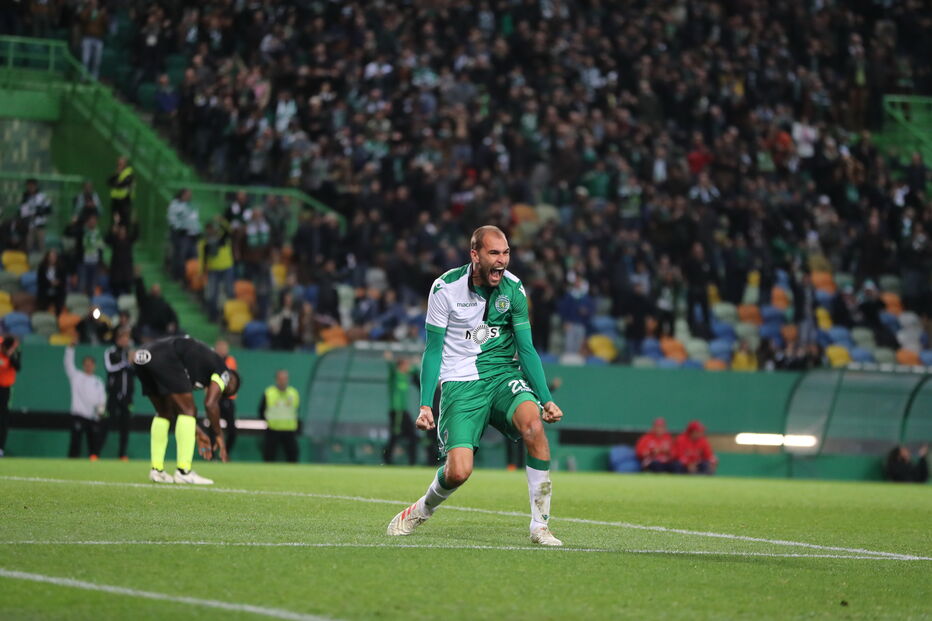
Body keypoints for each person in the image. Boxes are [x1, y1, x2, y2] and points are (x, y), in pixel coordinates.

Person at [387, 225, 565, 546]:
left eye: (506, 253)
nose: (502, 260)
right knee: (458, 472)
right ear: (475, 255)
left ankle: (540, 526)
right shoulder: (445, 288)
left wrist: (546, 398)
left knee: (533, 426)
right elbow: (433, 350)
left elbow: (526, 349)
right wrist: (426, 403)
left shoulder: (514, 290)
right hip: (460, 383)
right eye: (494, 253)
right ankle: (423, 508)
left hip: (502, 376)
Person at [131, 335, 240, 484]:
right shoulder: (225, 372)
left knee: (164, 412)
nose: (219, 393)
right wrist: (218, 434)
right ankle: (184, 471)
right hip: (165, 355)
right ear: (231, 384)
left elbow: (177, 407)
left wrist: (197, 431)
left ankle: (157, 470)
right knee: (189, 411)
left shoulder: (197, 368)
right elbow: (210, 404)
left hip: (142, 356)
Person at [64, 344, 107, 460]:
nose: (89, 366)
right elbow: (68, 364)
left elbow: (102, 400)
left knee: (93, 442)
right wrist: (70, 348)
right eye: (86, 364)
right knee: (75, 441)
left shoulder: (98, 381)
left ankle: (93, 460)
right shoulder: (76, 376)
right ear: (83, 366)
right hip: (78, 415)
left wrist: (99, 414)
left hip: (93, 417)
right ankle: (72, 460)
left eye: (91, 364)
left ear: (94, 366)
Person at [104, 330, 135, 461]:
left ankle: (122, 454)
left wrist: (133, 362)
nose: (125, 341)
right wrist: (125, 363)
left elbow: (135, 373)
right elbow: (110, 368)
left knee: (125, 426)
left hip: (127, 397)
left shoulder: (130, 353)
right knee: (106, 423)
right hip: (113, 395)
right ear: (117, 339)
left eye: (127, 338)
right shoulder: (110, 352)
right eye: (123, 338)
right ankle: (95, 453)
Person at [258, 369, 300, 463]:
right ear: (276, 380)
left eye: (285, 379)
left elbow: (297, 409)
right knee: (268, 456)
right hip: (273, 429)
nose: (283, 381)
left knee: (293, 456)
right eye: (280, 379)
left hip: (289, 430)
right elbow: (261, 410)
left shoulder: (294, 393)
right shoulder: (269, 393)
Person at [383, 354, 418, 466]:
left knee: (412, 435)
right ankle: (387, 459)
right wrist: (389, 359)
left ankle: (412, 461)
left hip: (404, 411)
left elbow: (416, 369)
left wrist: (416, 362)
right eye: (406, 365)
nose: (408, 367)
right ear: (401, 366)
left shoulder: (405, 375)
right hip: (396, 411)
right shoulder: (395, 375)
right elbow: (392, 367)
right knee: (395, 434)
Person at [214, 339, 238, 454]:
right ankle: (212, 455)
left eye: (224, 348)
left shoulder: (230, 360)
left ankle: (225, 452)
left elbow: (231, 377)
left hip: (228, 398)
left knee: (232, 430)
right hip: (214, 398)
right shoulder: (212, 359)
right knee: (212, 428)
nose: (222, 350)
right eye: (220, 348)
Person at [0, 336, 21, 457]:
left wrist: (11, 355)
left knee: (3, 419)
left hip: (6, 390)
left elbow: (18, 367)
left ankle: (0, 447)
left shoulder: (14, 354)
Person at [108, 156, 134, 224]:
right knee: (115, 221)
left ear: (125, 164)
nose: (119, 165)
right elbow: (109, 182)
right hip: (115, 200)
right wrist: (116, 177)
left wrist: (116, 183)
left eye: (121, 163)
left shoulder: (128, 173)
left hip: (124, 201)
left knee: (123, 221)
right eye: (118, 163)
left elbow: (122, 184)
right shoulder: (117, 173)